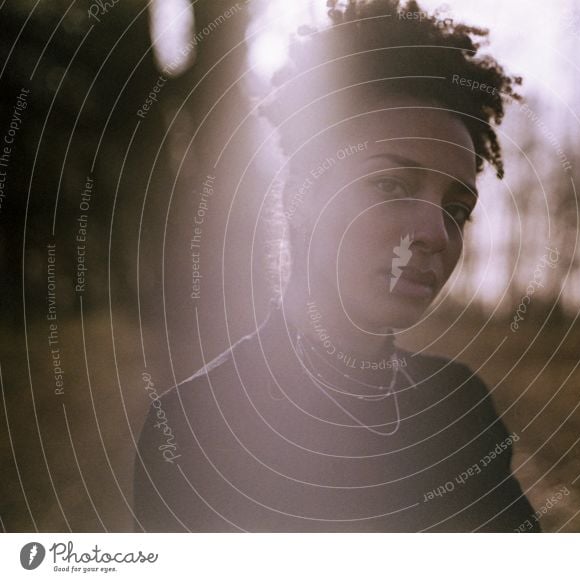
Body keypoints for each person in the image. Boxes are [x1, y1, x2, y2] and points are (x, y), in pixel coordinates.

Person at [133, 0, 540, 532]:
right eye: (390, 185)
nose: (436, 234)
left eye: (456, 209)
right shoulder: (194, 429)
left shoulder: (458, 406)